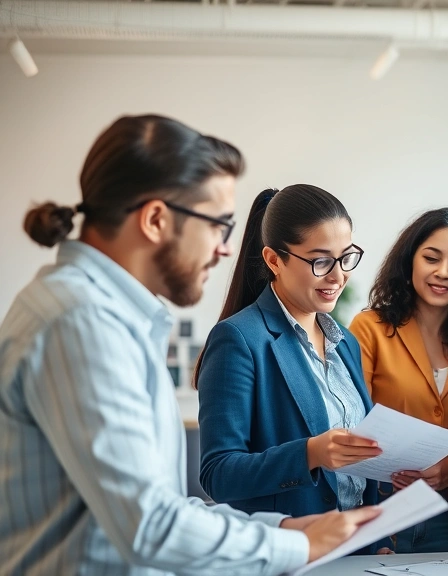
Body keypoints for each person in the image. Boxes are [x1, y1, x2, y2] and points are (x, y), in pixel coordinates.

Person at [0, 115, 379, 576]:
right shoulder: (81, 321)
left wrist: (287, 532)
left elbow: (161, 508)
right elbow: (151, 527)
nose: (224, 249)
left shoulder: (105, 317)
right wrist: (296, 546)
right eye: (218, 224)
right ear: (157, 219)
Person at [195, 185, 390, 553]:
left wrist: (374, 537)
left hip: (356, 554)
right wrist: (311, 453)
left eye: (346, 257)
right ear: (273, 260)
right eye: (320, 261)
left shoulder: (345, 342)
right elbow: (218, 474)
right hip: (289, 553)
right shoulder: (238, 339)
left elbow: (354, 473)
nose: (338, 276)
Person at [349, 208, 448, 552]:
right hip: (383, 507)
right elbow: (351, 424)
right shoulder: (369, 328)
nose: (443, 272)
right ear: (410, 261)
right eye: (431, 258)